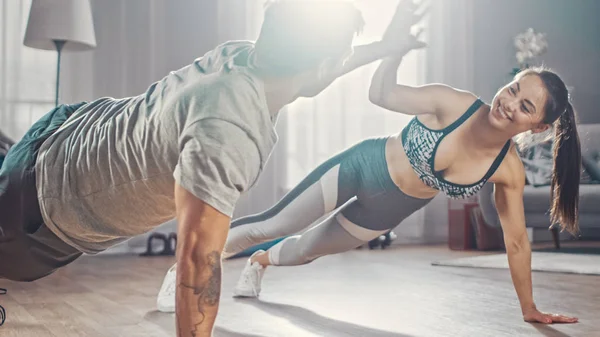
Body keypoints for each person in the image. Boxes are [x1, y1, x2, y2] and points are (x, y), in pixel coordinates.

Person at [0, 1, 427, 336]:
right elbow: (197, 259)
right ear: (319, 66)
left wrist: (386, 48)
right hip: (43, 203)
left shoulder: (247, 57)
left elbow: (318, 68)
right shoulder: (228, 130)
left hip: (66, 129)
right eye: (339, 59)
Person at [157, 56, 582, 326]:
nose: (509, 103)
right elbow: (381, 94)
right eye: (513, 90)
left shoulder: (506, 170)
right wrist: (394, 49)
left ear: (539, 128)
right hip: (363, 165)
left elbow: (517, 241)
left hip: (388, 211)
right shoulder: (456, 103)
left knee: (306, 250)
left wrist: (529, 308)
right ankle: (183, 271)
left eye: (525, 107)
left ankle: (260, 263)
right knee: (272, 224)